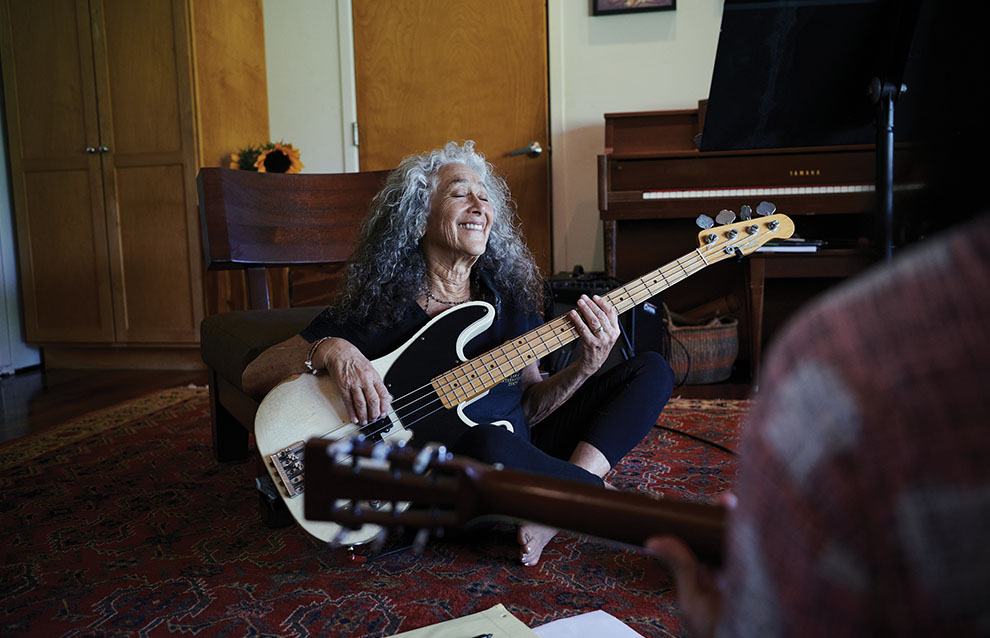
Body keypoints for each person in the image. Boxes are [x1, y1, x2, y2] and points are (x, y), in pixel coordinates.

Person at [243, 141, 674, 566]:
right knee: (488, 441)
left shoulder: (509, 301)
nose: (479, 206)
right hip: (449, 480)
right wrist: (332, 350)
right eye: (458, 193)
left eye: (485, 198)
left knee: (651, 370)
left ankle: (556, 509)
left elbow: (532, 407)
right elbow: (255, 373)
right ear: (417, 219)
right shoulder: (378, 308)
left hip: (518, 452)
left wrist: (586, 367)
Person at [648, 212, 990, 636]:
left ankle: (577, 478)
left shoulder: (831, 357)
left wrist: (585, 366)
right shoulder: (839, 358)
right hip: (538, 430)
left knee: (652, 371)